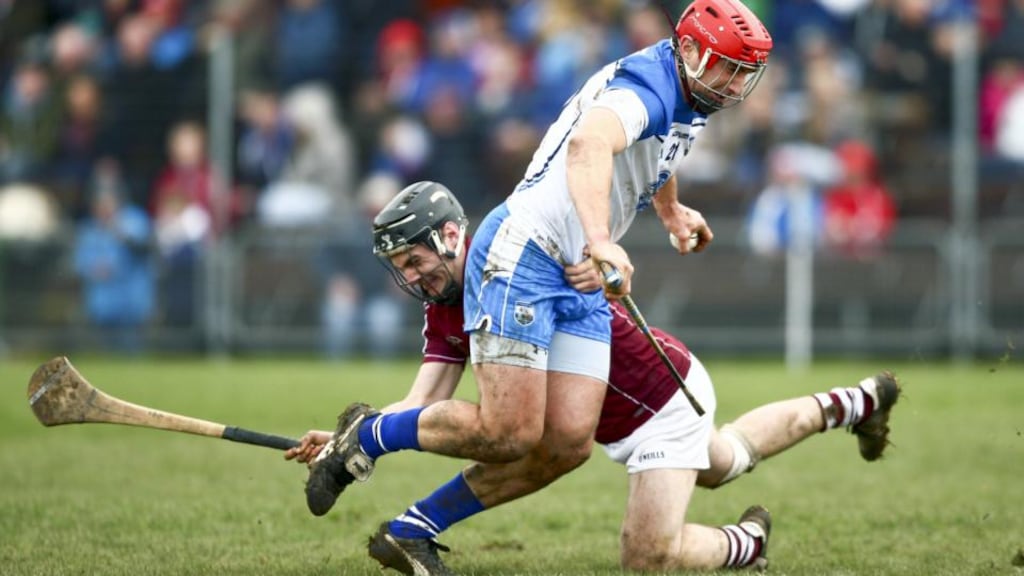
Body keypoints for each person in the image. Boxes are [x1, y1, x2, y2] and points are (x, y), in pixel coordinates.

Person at [305, 0, 777, 571]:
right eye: (730, 69)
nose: (736, 86)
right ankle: (370, 435)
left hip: (575, 275)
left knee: (566, 445)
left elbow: (656, 150)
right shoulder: (646, 88)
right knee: (508, 432)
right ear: (693, 52)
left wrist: (670, 210)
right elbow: (589, 145)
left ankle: (411, 529)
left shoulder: (687, 93)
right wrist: (601, 240)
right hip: (528, 251)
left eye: (744, 74)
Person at [289, 181, 901, 574]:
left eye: (415, 261)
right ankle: (859, 402)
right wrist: (345, 438)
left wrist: (593, 261)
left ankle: (748, 544)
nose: (411, 278)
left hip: (660, 403)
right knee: (727, 457)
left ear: (450, 236)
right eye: (401, 269)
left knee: (649, 555)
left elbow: (587, 248)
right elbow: (424, 400)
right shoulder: (443, 305)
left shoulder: (515, 264)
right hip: (611, 420)